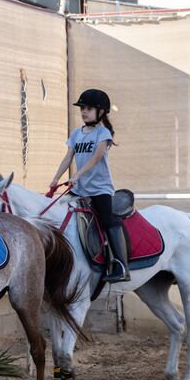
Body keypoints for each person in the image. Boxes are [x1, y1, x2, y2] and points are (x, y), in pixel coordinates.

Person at [50, 88, 129, 283]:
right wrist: (55, 178)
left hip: (100, 189)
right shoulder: (76, 133)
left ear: (101, 112)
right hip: (79, 188)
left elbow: (96, 157)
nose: (83, 112)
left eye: (89, 108)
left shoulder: (103, 133)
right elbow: (68, 157)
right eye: (82, 108)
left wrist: (77, 174)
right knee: (57, 212)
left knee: (108, 220)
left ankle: (121, 265)